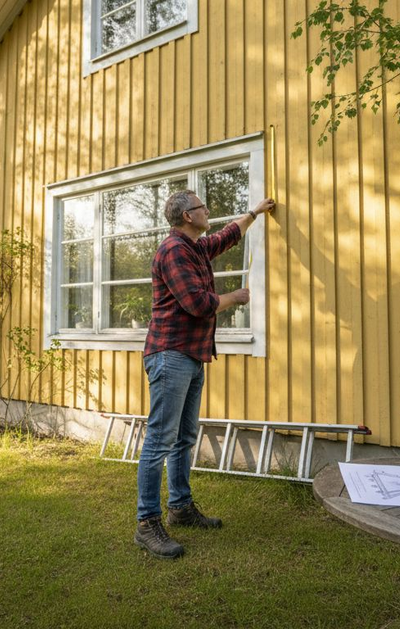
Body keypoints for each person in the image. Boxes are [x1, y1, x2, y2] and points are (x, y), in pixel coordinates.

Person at [134, 189, 275, 559]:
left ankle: (179, 508)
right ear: (186, 216)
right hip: (170, 355)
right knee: (160, 441)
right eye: (201, 207)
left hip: (192, 356)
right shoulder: (173, 251)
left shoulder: (194, 246)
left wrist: (254, 213)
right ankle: (147, 524)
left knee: (183, 438)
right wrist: (234, 298)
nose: (207, 210)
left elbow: (225, 237)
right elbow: (197, 303)